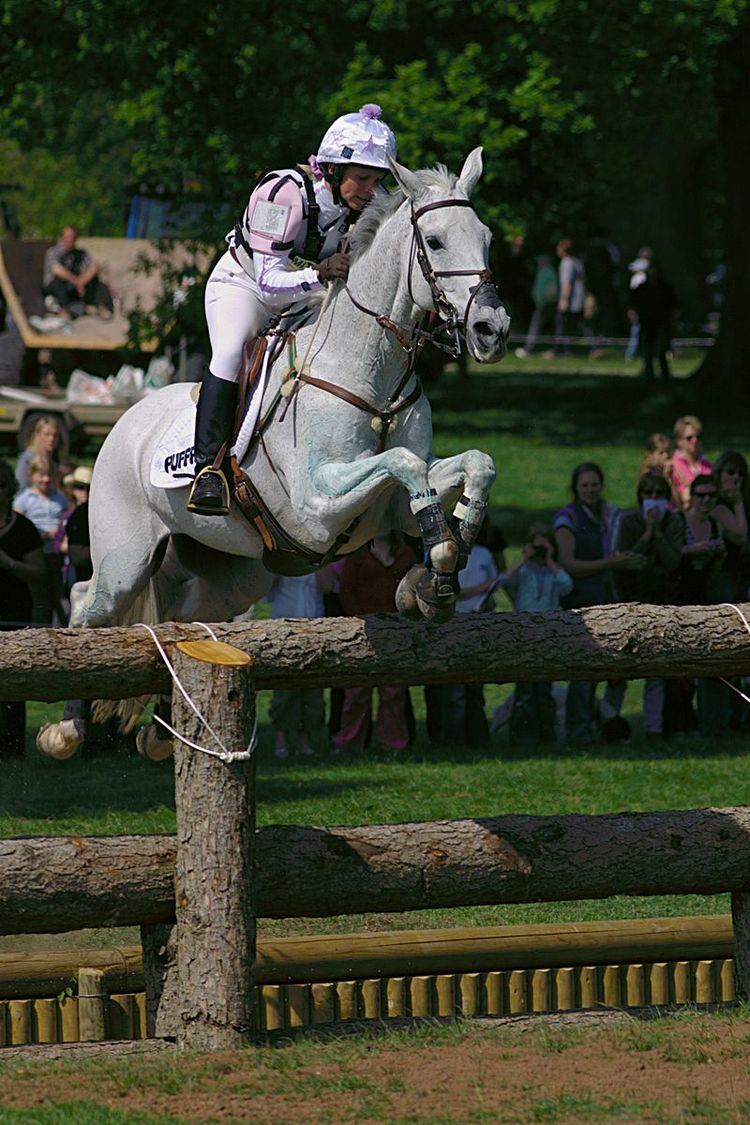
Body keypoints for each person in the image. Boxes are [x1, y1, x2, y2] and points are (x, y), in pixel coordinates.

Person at [188, 103, 397, 516]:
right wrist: (321, 275)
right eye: (363, 178)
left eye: (378, 180)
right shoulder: (280, 192)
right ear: (333, 171)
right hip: (244, 287)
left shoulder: (366, 204)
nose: (371, 190)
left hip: (303, 298)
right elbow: (268, 280)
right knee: (231, 352)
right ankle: (207, 469)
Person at [553, 462, 645, 744]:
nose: (590, 490)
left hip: (609, 600)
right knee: (584, 673)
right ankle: (578, 732)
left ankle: (610, 728)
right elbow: (568, 563)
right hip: (581, 605)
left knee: (617, 671)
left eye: (594, 484)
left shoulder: (608, 514)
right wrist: (609, 563)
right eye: (585, 485)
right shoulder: (567, 518)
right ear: (576, 488)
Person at [334, 534, 416, 754]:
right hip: (362, 629)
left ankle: (392, 743)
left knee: (393, 692)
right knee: (357, 692)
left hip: (396, 628)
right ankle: (350, 742)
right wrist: (356, 620)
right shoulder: (358, 555)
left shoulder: (405, 555)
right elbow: (347, 590)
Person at [617, 472, 683, 738]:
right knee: (621, 669)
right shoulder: (629, 521)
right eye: (648, 495)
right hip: (632, 599)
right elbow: (628, 561)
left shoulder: (674, 521)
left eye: (659, 495)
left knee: (656, 669)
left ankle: (653, 727)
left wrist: (657, 535)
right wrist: (647, 534)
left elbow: (673, 562)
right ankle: (612, 723)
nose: (653, 501)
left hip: (664, 600)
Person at [497, 526, 573, 746]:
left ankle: (546, 735)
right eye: (536, 546)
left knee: (544, 690)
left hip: (548, 634)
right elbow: (503, 581)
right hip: (524, 633)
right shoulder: (525, 570)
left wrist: (549, 559)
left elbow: (567, 586)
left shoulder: (553, 571)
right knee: (525, 691)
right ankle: (524, 737)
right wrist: (524, 559)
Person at [425, 537, 499, 748]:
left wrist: (486, 589)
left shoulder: (484, 553)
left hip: (478, 620)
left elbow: (494, 583)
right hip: (453, 622)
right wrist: (482, 587)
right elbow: (451, 591)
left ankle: (477, 739)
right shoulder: (444, 555)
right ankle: (452, 742)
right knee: (455, 691)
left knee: (475, 689)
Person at [0, 459, 44, 758]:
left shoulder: (24, 528)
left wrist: (10, 564)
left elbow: (39, 571)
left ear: (9, 489)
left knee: (13, 683)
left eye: (1, 485)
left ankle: (13, 748)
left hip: (13, 613)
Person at [266, 572, 328, 759]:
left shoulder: (319, 565)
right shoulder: (283, 562)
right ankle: (281, 740)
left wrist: (319, 564)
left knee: (311, 690)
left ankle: (304, 741)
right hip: (284, 625)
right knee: (284, 689)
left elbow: (328, 586)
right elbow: (267, 588)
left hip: (314, 625)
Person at [13, 456, 69, 624]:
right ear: (32, 476)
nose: (46, 480)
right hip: (35, 556)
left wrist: (59, 534)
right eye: (41, 475)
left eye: (49, 475)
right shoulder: (25, 499)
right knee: (39, 595)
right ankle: (39, 626)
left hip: (56, 555)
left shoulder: (59, 499)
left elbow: (66, 519)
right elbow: (18, 523)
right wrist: (39, 534)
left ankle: (63, 626)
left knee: (60, 594)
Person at [42, 226, 114, 320]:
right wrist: (76, 281)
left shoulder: (80, 253)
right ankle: (64, 311)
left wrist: (83, 280)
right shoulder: (54, 252)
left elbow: (95, 266)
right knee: (58, 282)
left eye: (72, 237)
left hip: (73, 287)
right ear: (62, 238)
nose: (70, 240)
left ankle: (101, 307)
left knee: (96, 281)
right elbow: (56, 270)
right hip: (55, 286)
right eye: (67, 237)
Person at [629, 260, 675, 381]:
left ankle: (663, 375)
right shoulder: (643, 288)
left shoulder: (664, 288)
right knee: (648, 350)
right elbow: (633, 302)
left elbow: (672, 305)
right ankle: (650, 374)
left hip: (660, 322)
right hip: (648, 322)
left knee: (661, 350)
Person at [515, 254, 558, 358]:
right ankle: (559, 349)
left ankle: (527, 349)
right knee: (555, 326)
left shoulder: (543, 272)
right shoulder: (551, 271)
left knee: (535, 326)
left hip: (543, 304)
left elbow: (540, 290)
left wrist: (538, 302)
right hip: (551, 302)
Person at [15, 416, 69, 492]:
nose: (51, 439)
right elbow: (19, 487)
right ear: (38, 435)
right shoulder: (27, 459)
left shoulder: (54, 460)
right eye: (47, 434)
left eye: (55, 435)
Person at [670, 415, 712, 511]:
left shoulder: (708, 465)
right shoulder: (672, 465)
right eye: (689, 438)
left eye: (698, 436)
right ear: (679, 441)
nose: (695, 440)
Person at [554, 239, 586, 355]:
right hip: (579, 299)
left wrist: (564, 300)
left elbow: (566, 283)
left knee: (562, 324)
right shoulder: (577, 262)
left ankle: (561, 350)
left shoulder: (566, 263)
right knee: (580, 324)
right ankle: (594, 347)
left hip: (571, 300)